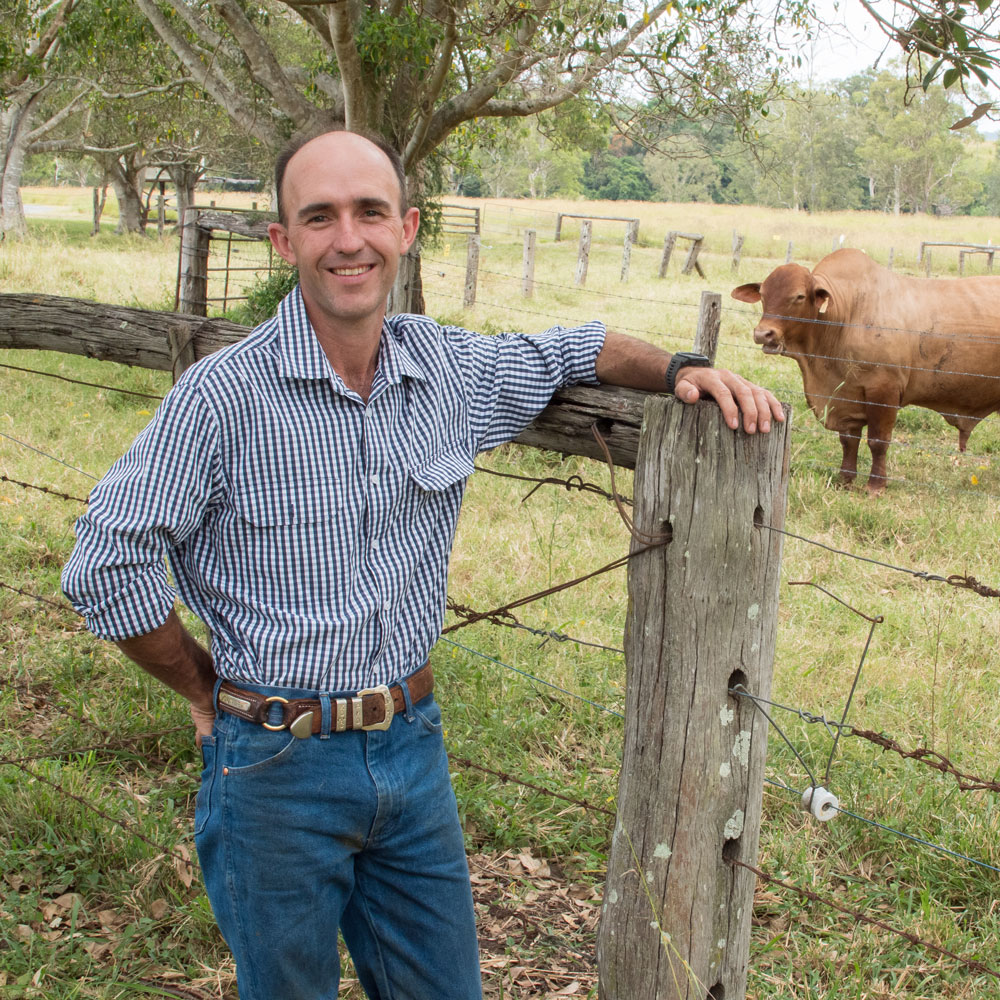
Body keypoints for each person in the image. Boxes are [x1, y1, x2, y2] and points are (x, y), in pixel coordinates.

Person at [62, 128, 784, 1000]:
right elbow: (105, 561)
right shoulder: (223, 398)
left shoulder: (446, 369)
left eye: (370, 212)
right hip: (274, 767)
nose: (349, 239)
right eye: (319, 217)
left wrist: (681, 368)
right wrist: (197, 684)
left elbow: (576, 348)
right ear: (285, 243)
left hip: (412, 750)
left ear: (406, 229)